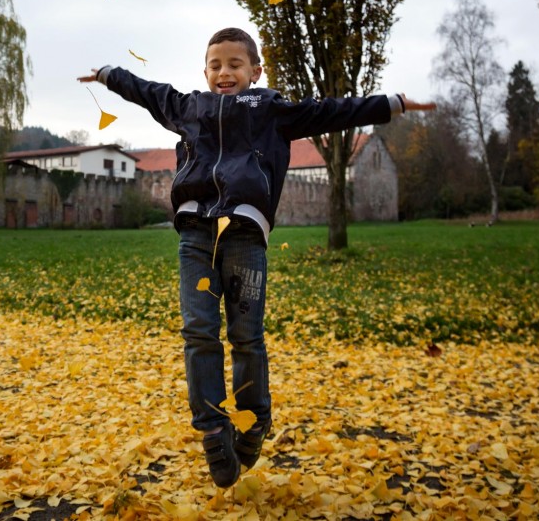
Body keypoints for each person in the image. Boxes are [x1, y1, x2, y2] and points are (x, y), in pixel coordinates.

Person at [79, 27, 435, 488]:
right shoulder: (189, 108)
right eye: (215, 65)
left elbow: (331, 111)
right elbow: (148, 92)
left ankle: (254, 419)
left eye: (234, 64)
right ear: (205, 71)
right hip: (197, 238)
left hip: (244, 237)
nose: (224, 73)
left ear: (255, 71)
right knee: (198, 332)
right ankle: (211, 428)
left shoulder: (269, 110)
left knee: (246, 336)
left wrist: (392, 103)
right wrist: (109, 74)